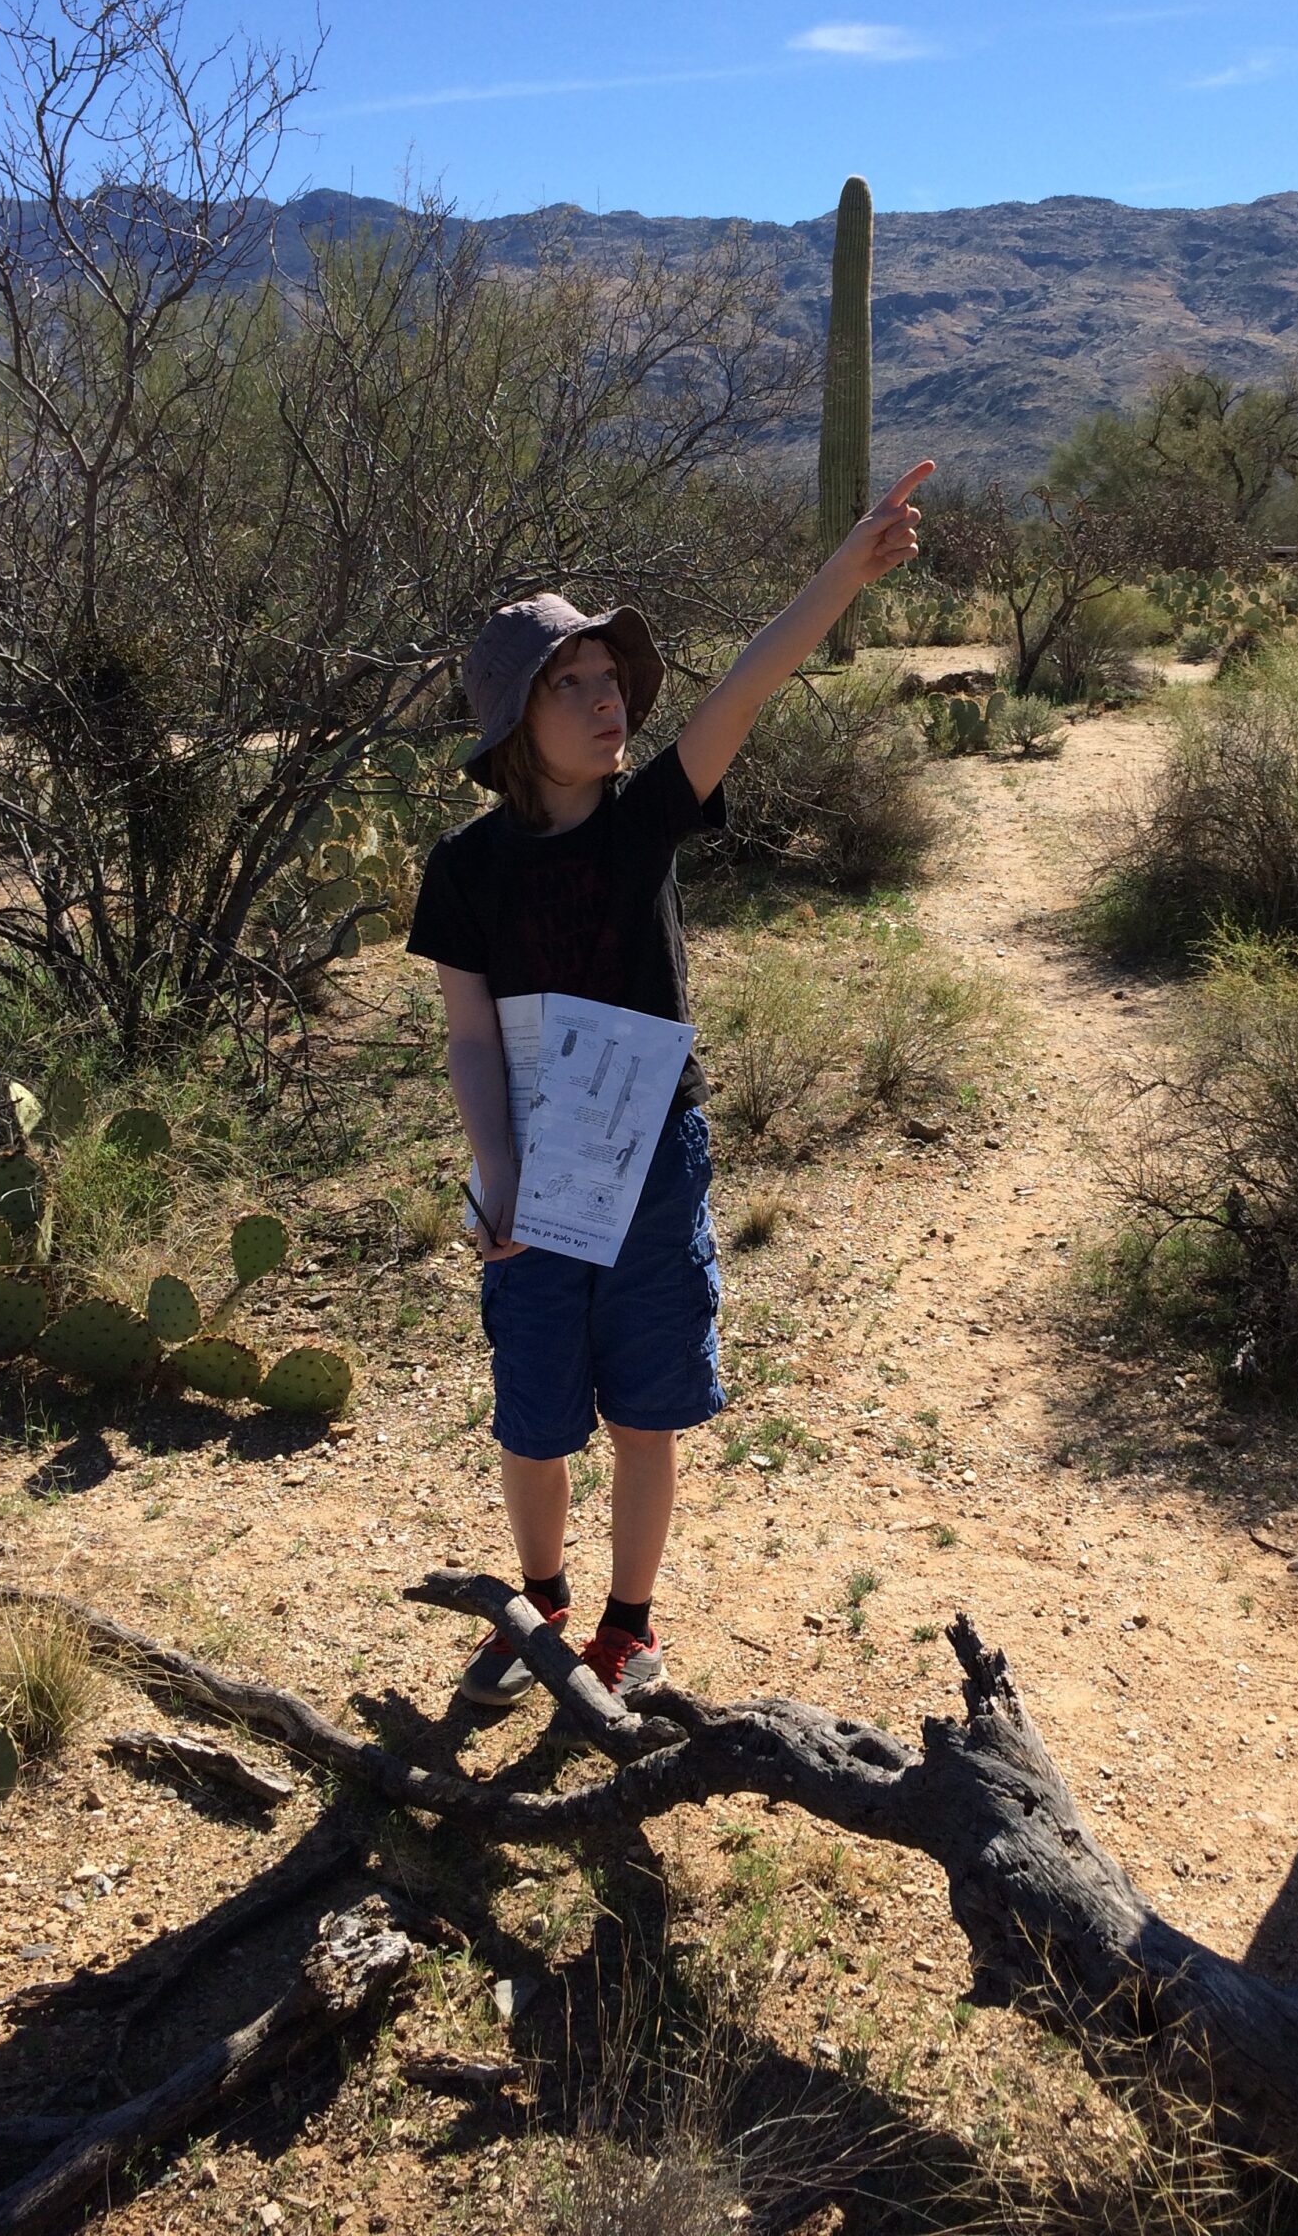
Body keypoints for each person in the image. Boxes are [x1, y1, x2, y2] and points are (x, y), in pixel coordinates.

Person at [408, 461, 933, 1703]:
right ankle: (538, 1607)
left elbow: (747, 683)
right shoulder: (465, 868)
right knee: (535, 1415)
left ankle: (626, 1625)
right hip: (535, 1169)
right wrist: (496, 1168)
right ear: (514, 722)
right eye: (574, 683)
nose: (609, 700)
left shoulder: (645, 816)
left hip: (652, 1159)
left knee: (646, 1409)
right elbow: (471, 1038)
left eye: (613, 679)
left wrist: (844, 573)